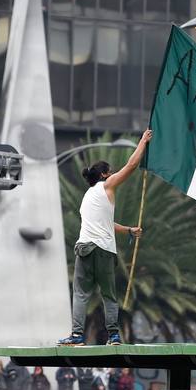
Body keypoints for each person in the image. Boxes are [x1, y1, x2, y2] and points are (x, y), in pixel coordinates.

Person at [59, 130, 152, 346]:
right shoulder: (106, 186)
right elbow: (130, 166)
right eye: (110, 172)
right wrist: (142, 142)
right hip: (105, 252)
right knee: (109, 295)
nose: (113, 175)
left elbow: (105, 224)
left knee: (81, 294)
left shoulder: (87, 198)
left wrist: (128, 230)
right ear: (104, 175)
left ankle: (76, 336)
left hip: (85, 249)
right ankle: (114, 336)